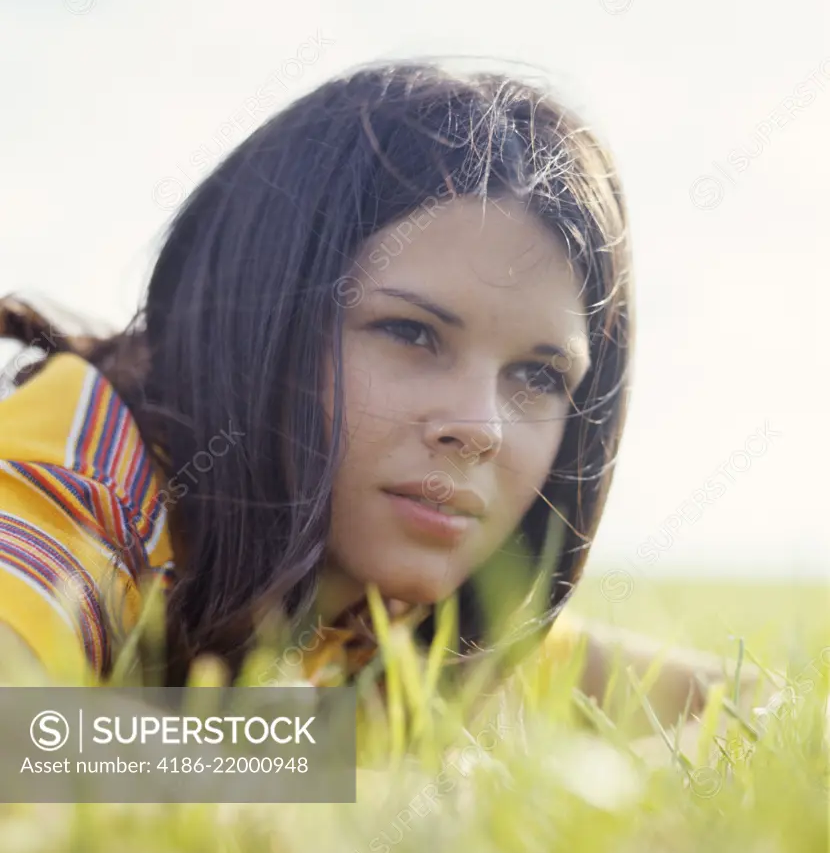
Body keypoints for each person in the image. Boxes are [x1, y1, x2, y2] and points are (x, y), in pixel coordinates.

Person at [0, 61, 755, 732]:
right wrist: (371, 778)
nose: (479, 428)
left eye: (537, 375)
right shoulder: (82, 479)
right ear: (262, 321)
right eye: (411, 332)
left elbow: (751, 705)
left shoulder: (386, 600)